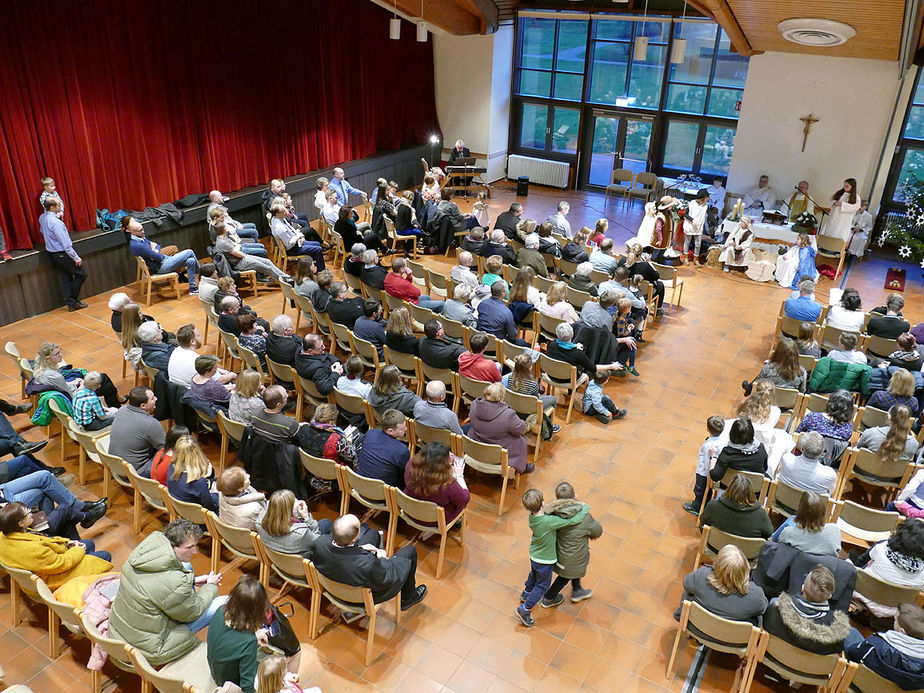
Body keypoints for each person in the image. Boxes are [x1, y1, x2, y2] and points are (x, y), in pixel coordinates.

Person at [109, 519, 225, 665]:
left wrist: (192, 580)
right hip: (151, 647)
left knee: (186, 566)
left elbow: (161, 585)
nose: (195, 551)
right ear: (173, 546)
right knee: (223, 602)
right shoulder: (175, 583)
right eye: (190, 547)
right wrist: (210, 586)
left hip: (120, 631)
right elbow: (194, 611)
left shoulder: (141, 555)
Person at [312, 513, 427, 612]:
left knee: (373, 534)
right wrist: (382, 559)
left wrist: (359, 549)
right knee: (409, 551)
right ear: (354, 538)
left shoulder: (319, 543)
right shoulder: (367, 564)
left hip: (334, 586)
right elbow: (387, 579)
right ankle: (408, 598)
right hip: (360, 598)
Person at [207, 575, 300, 693]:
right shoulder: (248, 642)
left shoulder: (221, 610)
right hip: (230, 683)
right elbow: (247, 687)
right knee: (294, 654)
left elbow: (231, 639)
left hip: (216, 672)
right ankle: (288, 685)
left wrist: (254, 636)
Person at [515, 488, 589, 627]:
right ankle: (525, 609)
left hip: (534, 555)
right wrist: (585, 507)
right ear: (543, 503)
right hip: (545, 560)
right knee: (542, 586)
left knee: (534, 575)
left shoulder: (532, 517)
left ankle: (526, 593)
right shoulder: (549, 522)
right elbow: (572, 520)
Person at [0, 502, 112, 588]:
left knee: (89, 544)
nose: (31, 512)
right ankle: (88, 584)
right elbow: (60, 564)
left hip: (42, 570)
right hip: (51, 580)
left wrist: (67, 543)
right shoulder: (33, 550)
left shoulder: (4, 535)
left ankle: (87, 571)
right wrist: (77, 550)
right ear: (20, 523)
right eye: (28, 513)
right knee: (105, 556)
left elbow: (45, 540)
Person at [763, 565, 850, 655]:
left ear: (803, 588)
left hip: (774, 658)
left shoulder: (775, 611)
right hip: (808, 668)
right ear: (829, 596)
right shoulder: (837, 634)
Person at [539, 482, 601, 607]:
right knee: (565, 576)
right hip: (572, 557)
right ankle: (549, 598)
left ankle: (577, 589)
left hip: (557, 552)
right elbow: (598, 530)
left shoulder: (551, 514)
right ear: (574, 496)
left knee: (572, 570)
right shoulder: (584, 516)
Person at [845, 601, 924, 690]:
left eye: (895, 620)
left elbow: (853, 653)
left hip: (864, 686)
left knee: (850, 632)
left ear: (902, 631)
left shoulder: (875, 645)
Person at [680, 545, 768, 623]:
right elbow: (762, 608)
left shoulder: (701, 576)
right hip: (733, 639)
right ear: (745, 570)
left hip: (696, 627)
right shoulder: (756, 595)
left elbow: (686, 583)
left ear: (717, 565)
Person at [123, 216, 199, 294]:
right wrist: (157, 253)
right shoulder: (137, 244)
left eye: (142, 229)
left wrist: (154, 251)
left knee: (191, 260)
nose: (142, 232)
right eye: (139, 230)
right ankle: (201, 274)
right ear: (132, 232)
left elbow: (155, 246)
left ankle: (193, 288)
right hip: (160, 266)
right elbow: (156, 256)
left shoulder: (138, 238)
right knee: (189, 252)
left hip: (161, 261)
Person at [469, 382, 533, 475]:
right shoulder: (508, 414)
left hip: (476, 445)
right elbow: (521, 429)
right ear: (501, 398)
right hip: (498, 452)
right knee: (520, 441)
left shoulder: (474, 404)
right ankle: (521, 468)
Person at [33, 342, 121, 406]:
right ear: (48, 359)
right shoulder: (55, 376)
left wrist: (74, 383)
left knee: (103, 379)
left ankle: (117, 404)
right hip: (75, 399)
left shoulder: (40, 368)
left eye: (60, 351)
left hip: (67, 390)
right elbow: (71, 396)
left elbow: (61, 386)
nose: (61, 355)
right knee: (105, 384)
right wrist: (82, 385)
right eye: (57, 354)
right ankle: (116, 407)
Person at [404, 442, 470, 525]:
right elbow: (465, 499)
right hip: (434, 520)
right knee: (460, 504)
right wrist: (459, 476)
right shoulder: (447, 484)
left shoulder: (410, 465)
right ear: (443, 464)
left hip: (410, 510)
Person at [39, 196, 87, 311]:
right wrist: (76, 257)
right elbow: (65, 243)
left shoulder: (42, 217)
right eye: (59, 205)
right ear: (52, 207)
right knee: (81, 275)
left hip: (53, 253)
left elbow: (42, 230)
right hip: (62, 253)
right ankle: (73, 300)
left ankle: (71, 303)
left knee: (66, 277)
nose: (61, 207)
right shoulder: (56, 223)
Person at [256, 489, 331, 556]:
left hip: (279, 563)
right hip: (301, 567)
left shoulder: (259, 523)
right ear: (291, 512)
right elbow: (318, 543)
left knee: (324, 523)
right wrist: (307, 518)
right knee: (327, 524)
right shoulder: (302, 534)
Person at [109, 386, 165, 476]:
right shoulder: (151, 424)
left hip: (115, 464)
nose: (156, 399)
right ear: (143, 405)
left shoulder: (122, 410)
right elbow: (165, 448)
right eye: (152, 398)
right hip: (137, 471)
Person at [213, 222, 289, 282]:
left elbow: (237, 246)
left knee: (267, 261)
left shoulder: (224, 238)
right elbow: (239, 254)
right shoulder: (222, 243)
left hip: (243, 257)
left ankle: (286, 277)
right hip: (240, 263)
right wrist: (237, 247)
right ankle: (285, 280)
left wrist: (237, 247)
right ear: (224, 229)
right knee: (268, 268)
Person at [774, 491, 842, 555]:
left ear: (800, 511)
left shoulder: (788, 533)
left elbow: (773, 544)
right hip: (825, 567)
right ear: (823, 512)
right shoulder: (834, 531)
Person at [683, 415, 725, 515]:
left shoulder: (708, 446)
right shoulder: (722, 442)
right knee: (707, 492)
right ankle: (705, 505)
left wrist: (707, 474)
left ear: (708, 429)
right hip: (712, 472)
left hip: (704, 473)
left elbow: (707, 461)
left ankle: (696, 507)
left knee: (699, 490)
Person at [547, 323, 623, 377]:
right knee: (586, 377)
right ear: (572, 334)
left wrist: (574, 346)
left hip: (552, 374)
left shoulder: (551, 345)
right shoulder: (578, 354)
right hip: (568, 379)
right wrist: (612, 366)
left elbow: (564, 350)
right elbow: (593, 368)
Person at [356, 410, 410, 486]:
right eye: (402, 428)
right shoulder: (402, 450)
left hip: (358, 483)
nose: (406, 429)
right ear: (390, 431)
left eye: (405, 426)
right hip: (382, 493)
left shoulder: (371, 433)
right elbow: (405, 472)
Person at [166, 436, 218, 513]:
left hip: (180, 510)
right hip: (199, 517)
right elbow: (210, 507)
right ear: (197, 454)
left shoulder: (171, 468)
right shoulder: (198, 482)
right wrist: (216, 494)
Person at [709, 417, 768, 481]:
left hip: (732, 487)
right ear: (751, 432)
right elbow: (765, 468)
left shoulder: (727, 453)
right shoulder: (761, 449)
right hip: (757, 488)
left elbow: (715, 476)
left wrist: (713, 456)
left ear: (732, 433)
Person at [269, 202, 325, 270]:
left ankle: (314, 263)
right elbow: (289, 245)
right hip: (292, 249)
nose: (286, 213)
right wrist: (298, 236)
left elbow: (291, 229)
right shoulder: (280, 228)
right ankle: (321, 270)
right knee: (318, 249)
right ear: (277, 214)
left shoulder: (279, 218)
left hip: (296, 242)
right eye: (283, 211)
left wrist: (299, 235)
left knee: (317, 244)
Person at [477, 281, 527, 346]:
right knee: (523, 343)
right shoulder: (506, 312)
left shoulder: (482, 303)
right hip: (497, 345)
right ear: (503, 294)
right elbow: (512, 336)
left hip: (481, 342)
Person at [683, 189, 709, 264]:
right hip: (690, 225)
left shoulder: (705, 206)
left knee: (698, 243)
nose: (707, 199)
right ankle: (686, 258)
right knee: (687, 241)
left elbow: (710, 215)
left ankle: (696, 259)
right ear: (703, 197)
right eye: (706, 198)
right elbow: (685, 214)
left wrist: (717, 225)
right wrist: (692, 220)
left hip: (698, 227)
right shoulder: (692, 203)